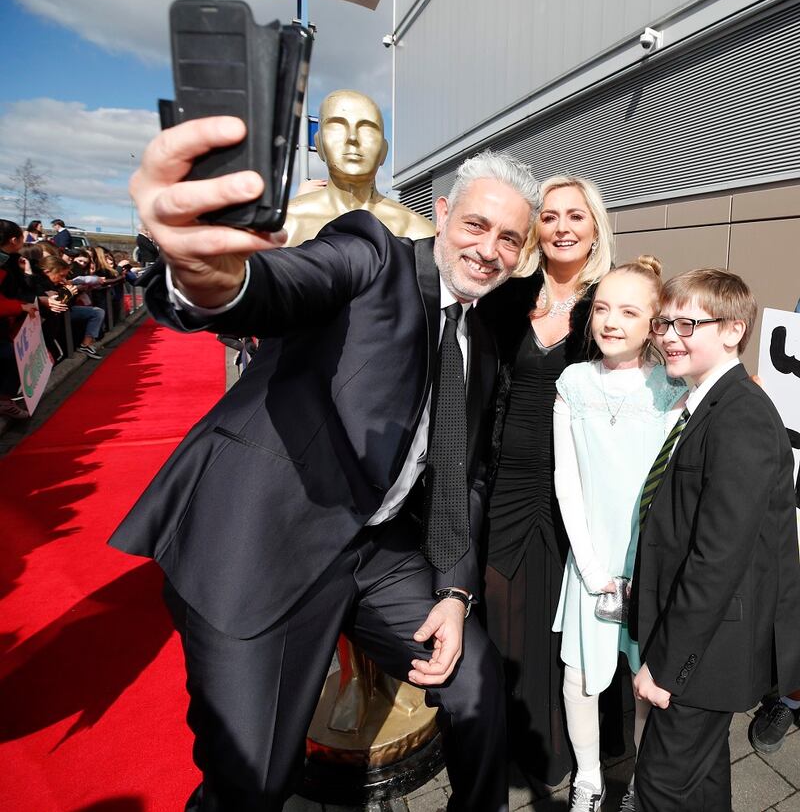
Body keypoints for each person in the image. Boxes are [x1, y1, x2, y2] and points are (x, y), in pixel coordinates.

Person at [109, 114, 540, 812]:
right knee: (253, 778)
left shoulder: (484, 344)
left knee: (478, 683)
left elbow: (464, 477)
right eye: (476, 225)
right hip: (258, 536)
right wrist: (209, 277)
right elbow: (280, 284)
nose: (488, 249)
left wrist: (457, 597)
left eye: (508, 239)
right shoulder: (374, 256)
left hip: (373, 548)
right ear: (442, 214)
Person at [630, 268, 800, 812]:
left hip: (704, 652)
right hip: (703, 643)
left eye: (686, 323)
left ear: (733, 330)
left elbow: (717, 558)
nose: (668, 336)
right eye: (664, 323)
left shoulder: (741, 416)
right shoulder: (710, 402)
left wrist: (667, 665)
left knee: (659, 785)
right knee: (700, 784)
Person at [476, 175, 613, 787]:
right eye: (550, 216)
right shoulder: (508, 297)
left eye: (575, 217)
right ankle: (506, 745)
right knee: (502, 609)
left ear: (594, 229)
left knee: (564, 621)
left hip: (576, 490)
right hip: (505, 480)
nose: (561, 227)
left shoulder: (608, 303)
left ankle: (567, 752)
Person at [552, 258, 686, 812]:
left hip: (649, 564)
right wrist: (591, 567)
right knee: (579, 679)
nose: (611, 321)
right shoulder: (573, 382)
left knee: (644, 683)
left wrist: (642, 573)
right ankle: (588, 781)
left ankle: (637, 785)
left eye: (629, 311)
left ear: (655, 322)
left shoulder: (671, 391)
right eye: (602, 308)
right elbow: (568, 480)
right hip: (590, 560)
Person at [283, 89, 434, 246]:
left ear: (384, 151)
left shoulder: (419, 233)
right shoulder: (284, 226)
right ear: (319, 144)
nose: (352, 138)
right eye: (337, 126)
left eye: (368, 128)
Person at [0, 220, 38, 419]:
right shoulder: (4, 263)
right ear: (14, 240)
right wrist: (19, 306)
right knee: (17, 355)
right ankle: (5, 400)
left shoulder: (9, 261)